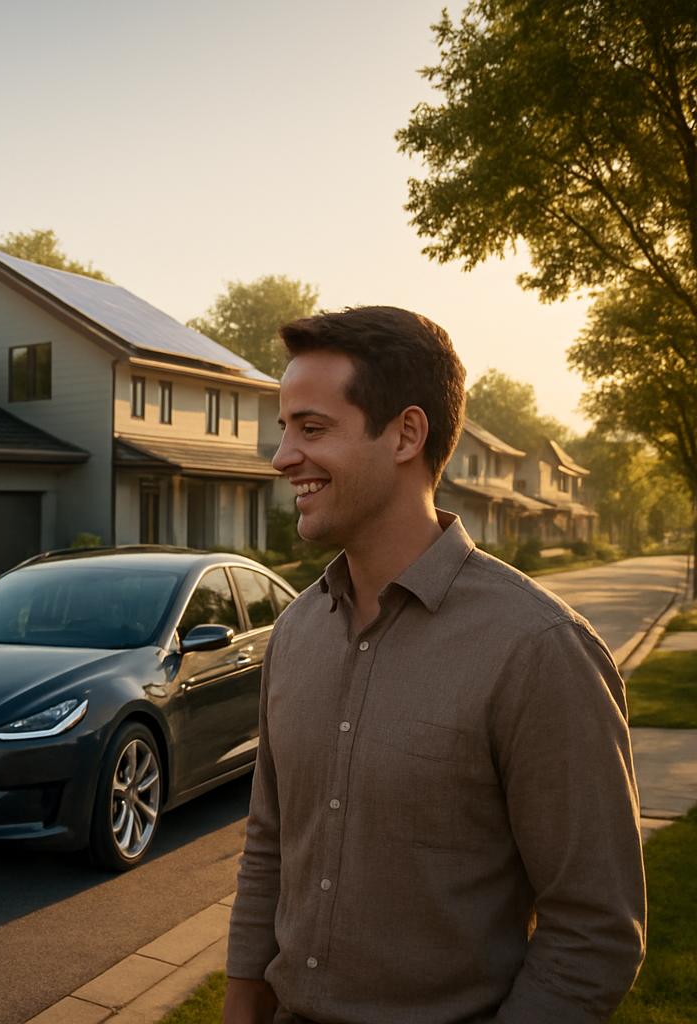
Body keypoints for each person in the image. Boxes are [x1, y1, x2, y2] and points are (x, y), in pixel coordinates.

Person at [223, 307, 645, 1024]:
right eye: (284, 428)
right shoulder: (293, 634)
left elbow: (596, 931)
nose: (282, 456)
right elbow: (269, 846)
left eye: (312, 428)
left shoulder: (539, 650)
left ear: (406, 434)